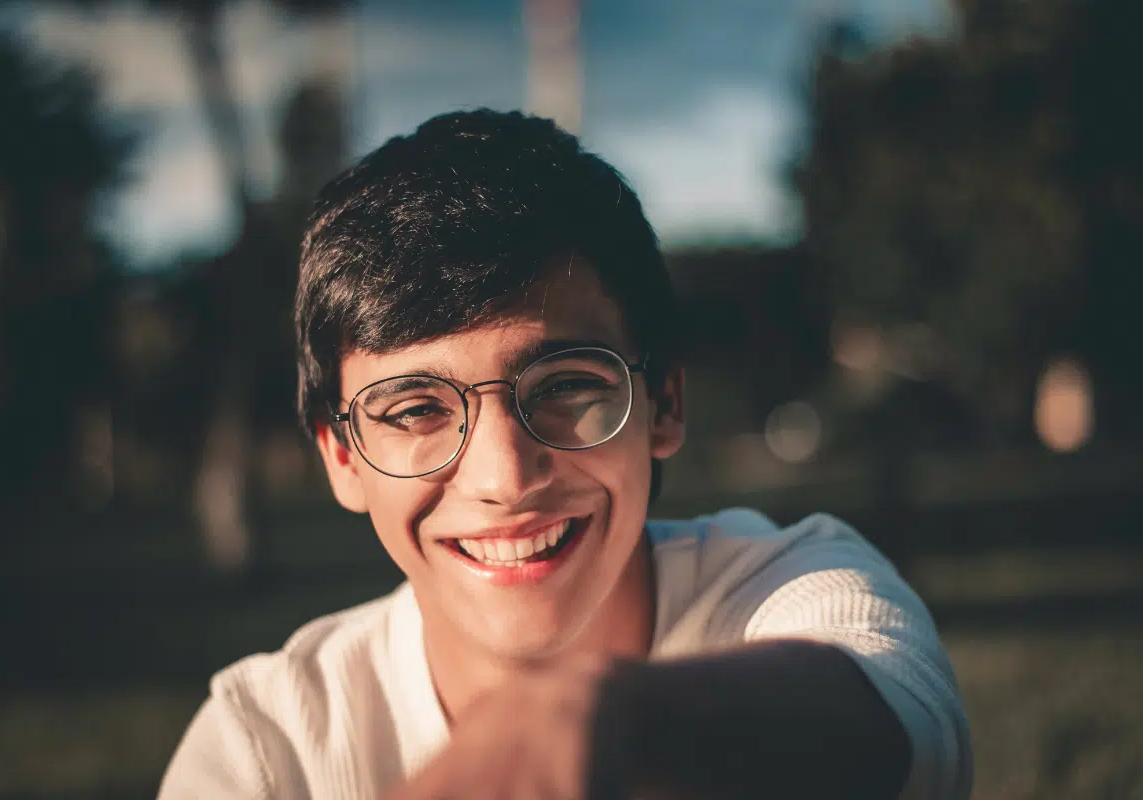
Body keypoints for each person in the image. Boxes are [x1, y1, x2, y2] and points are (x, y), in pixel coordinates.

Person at [158, 109, 972, 799]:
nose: (505, 477)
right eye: (413, 409)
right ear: (341, 457)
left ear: (665, 404)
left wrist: (604, 716)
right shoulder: (270, 748)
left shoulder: (782, 587)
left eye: (564, 386)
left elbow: (907, 723)